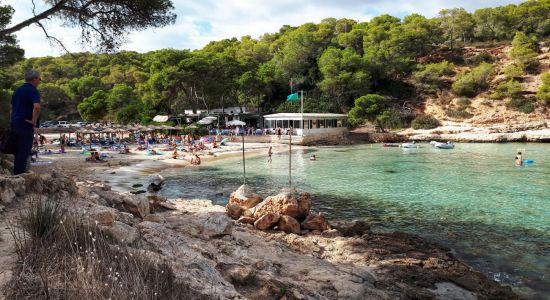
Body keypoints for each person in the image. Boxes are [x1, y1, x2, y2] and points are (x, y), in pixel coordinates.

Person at [9, 70, 41, 175]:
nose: (39, 81)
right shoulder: (32, 90)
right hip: (25, 124)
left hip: (14, 123)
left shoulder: (17, 90)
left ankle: (16, 173)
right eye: (39, 79)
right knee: (24, 150)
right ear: (34, 79)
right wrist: (34, 121)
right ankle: (20, 175)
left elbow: (11, 108)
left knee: (17, 151)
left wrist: (13, 120)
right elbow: (37, 107)